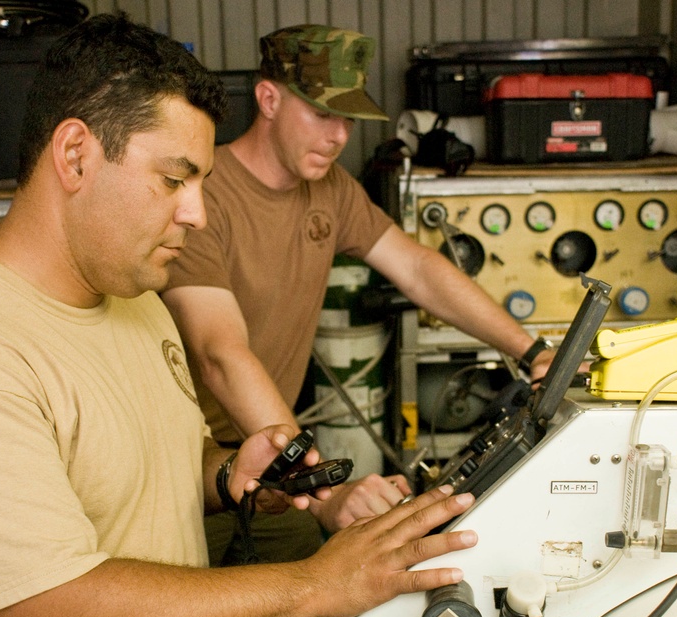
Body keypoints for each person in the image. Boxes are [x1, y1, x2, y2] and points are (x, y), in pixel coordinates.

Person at [0, 14, 478, 617]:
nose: (198, 213)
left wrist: (228, 476)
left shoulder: (133, 299)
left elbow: (146, 456)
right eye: (174, 179)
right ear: (76, 154)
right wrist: (320, 583)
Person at [161, 24, 560, 562]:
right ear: (268, 98)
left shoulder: (330, 190)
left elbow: (419, 270)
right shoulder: (204, 196)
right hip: (190, 474)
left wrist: (533, 352)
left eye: (348, 117)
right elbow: (219, 355)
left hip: (274, 475)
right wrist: (321, 492)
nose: (340, 135)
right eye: (323, 114)